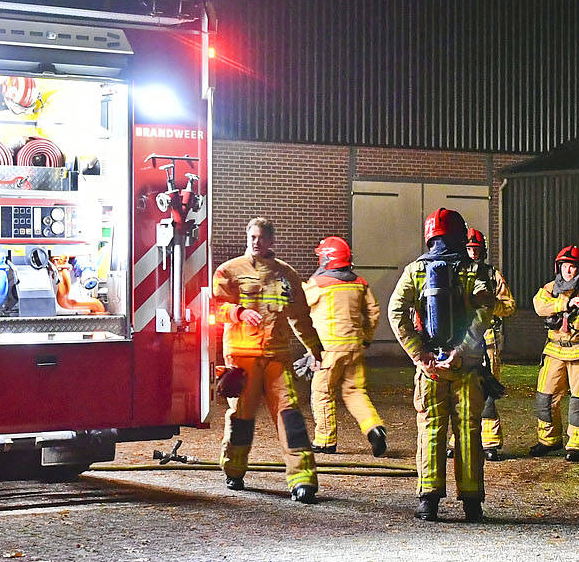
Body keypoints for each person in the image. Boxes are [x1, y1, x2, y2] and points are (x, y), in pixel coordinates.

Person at [389, 207, 501, 522]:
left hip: (430, 368)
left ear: (429, 237)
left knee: (431, 430)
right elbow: (483, 313)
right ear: (459, 235)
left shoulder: (415, 271)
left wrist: (419, 355)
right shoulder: (474, 270)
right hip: (466, 368)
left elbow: (396, 313)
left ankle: (428, 502)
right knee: (468, 431)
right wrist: (462, 351)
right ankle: (472, 503)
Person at [212, 217, 327, 502]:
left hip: (277, 357)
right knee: (241, 417)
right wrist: (238, 313)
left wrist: (315, 348)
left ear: (271, 241)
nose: (255, 241)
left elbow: (300, 317)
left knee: (290, 417)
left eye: (261, 237)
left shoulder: (286, 275)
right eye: (252, 236)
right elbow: (214, 308)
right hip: (242, 358)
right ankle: (234, 470)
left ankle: (303, 480)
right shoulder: (228, 271)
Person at [303, 235, 388, 456]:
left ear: (326, 259)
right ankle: (375, 429)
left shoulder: (318, 284)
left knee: (322, 391)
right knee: (354, 391)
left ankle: (325, 440)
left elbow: (300, 311)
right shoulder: (360, 283)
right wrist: (366, 338)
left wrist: (310, 348)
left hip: (328, 351)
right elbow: (373, 311)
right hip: (355, 347)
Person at [531, 245, 579, 459]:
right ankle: (548, 440)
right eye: (565, 266)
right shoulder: (550, 288)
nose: (568, 271)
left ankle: (577, 445)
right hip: (554, 351)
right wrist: (565, 303)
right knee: (544, 397)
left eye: (573, 266)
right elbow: (539, 306)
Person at [466, 228, 518, 461]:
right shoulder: (456, 272)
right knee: (460, 391)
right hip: (463, 340)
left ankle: (490, 442)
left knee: (487, 391)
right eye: (469, 249)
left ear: (483, 251)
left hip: (487, 343)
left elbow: (509, 306)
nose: (472, 253)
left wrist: (490, 303)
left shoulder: (493, 275)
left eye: (476, 249)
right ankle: (458, 441)